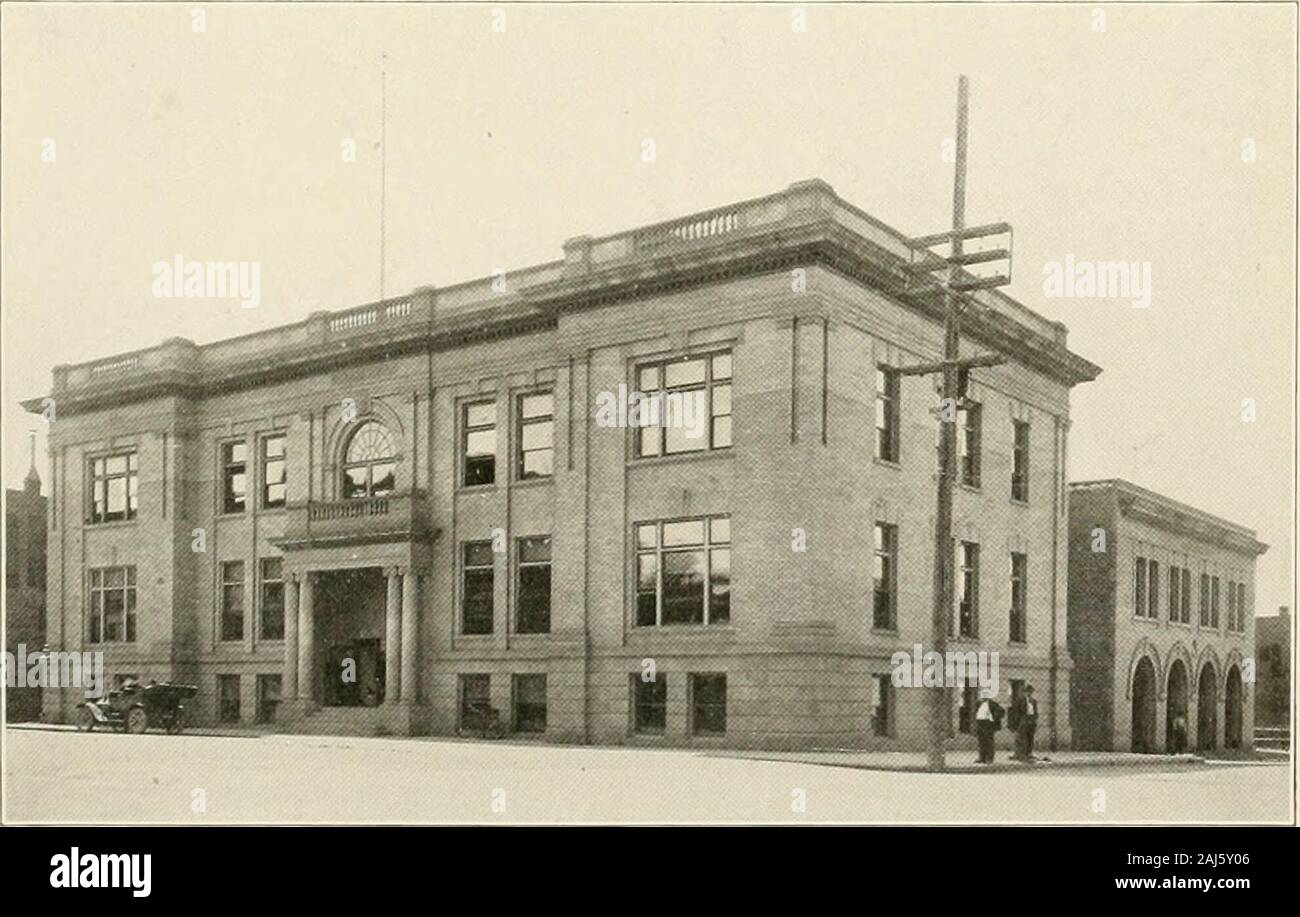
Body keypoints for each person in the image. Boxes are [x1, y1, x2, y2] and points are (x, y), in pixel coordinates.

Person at [974, 692, 1002, 764]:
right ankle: (982, 757)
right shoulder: (978, 704)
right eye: (982, 696)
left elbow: (1001, 711)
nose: (983, 697)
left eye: (985, 696)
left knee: (989, 741)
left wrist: (993, 718)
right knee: (981, 741)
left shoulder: (993, 704)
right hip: (980, 723)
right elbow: (975, 712)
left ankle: (989, 758)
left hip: (988, 724)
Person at [1018, 685, 1039, 761]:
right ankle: (1023, 753)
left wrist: (1034, 719)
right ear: (1024, 692)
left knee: (1031, 737)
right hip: (1024, 720)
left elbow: (1035, 711)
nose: (1029, 693)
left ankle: (1029, 753)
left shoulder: (1033, 701)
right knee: (1024, 737)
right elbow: (1018, 712)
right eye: (1027, 692)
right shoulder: (1021, 701)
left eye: (1030, 692)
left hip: (1031, 720)